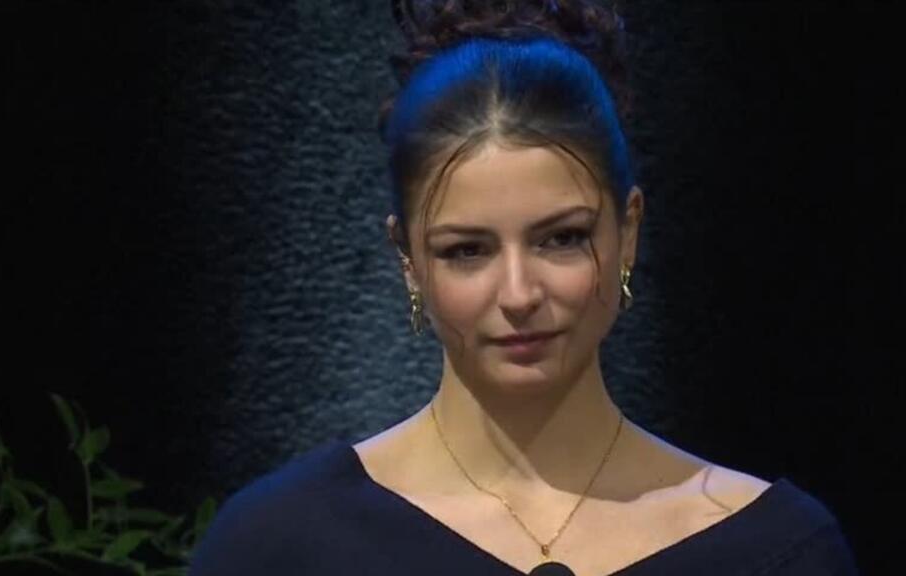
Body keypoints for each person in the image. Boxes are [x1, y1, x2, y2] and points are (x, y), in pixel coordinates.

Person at [190, 1, 859, 574]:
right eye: (467, 251)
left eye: (560, 238)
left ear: (627, 231)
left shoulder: (777, 549)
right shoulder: (277, 547)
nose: (518, 294)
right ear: (408, 260)